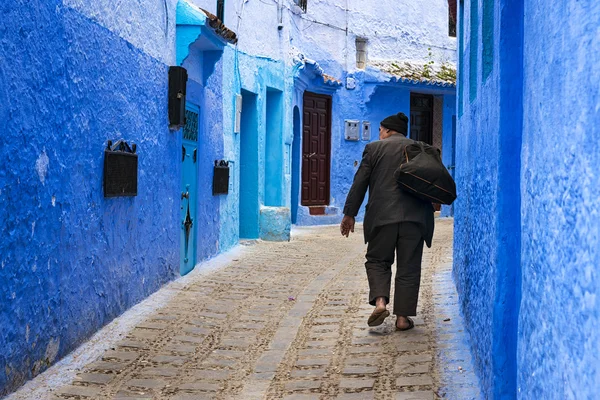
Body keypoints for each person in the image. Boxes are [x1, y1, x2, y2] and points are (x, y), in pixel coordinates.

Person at [340, 112, 434, 331]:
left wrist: (349, 214)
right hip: (415, 218)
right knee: (409, 266)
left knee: (377, 260)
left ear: (389, 130)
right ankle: (402, 318)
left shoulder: (374, 149)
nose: (379, 133)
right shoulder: (419, 148)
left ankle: (381, 303)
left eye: (381, 129)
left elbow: (359, 183)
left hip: (382, 218)